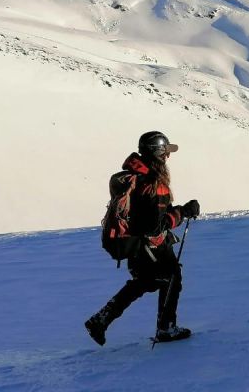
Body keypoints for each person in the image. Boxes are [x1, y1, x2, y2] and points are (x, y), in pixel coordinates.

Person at [85, 131, 200, 345]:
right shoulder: (155, 184)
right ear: (158, 154)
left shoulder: (133, 176)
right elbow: (155, 226)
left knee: (146, 281)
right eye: (166, 152)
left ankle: (100, 320)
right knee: (171, 276)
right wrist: (183, 212)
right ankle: (166, 328)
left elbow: (147, 215)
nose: (168, 157)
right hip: (149, 245)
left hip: (133, 242)